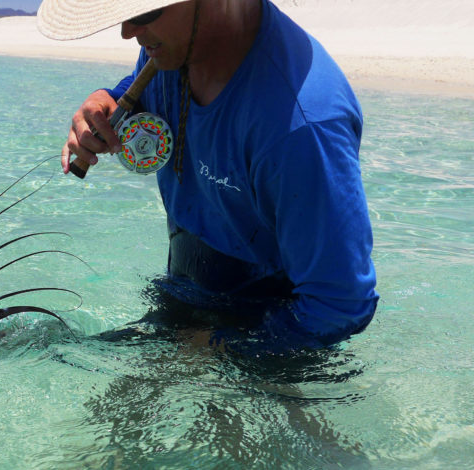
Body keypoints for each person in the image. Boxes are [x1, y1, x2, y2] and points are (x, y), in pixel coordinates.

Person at [37, 0, 379, 354]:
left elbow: (340, 305)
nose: (127, 33)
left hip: (267, 345)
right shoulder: (175, 49)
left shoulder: (300, 128)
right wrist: (111, 99)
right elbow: (150, 93)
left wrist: (216, 348)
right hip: (188, 298)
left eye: (141, 13)